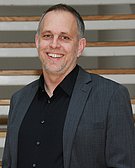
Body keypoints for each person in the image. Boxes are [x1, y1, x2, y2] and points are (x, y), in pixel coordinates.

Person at [2, 3, 135, 168]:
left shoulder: (111, 96)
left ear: (80, 46)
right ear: (37, 42)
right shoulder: (19, 99)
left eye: (65, 37)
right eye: (47, 35)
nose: (54, 44)